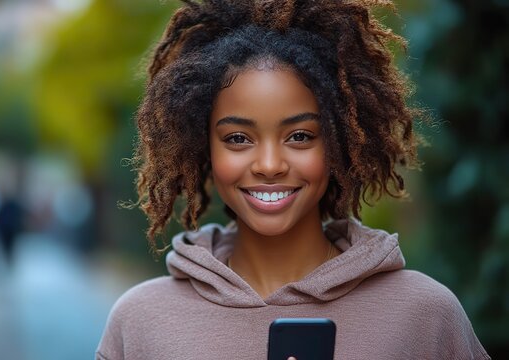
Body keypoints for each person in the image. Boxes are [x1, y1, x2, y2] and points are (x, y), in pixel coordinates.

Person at [96, 0, 490, 359]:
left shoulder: (424, 315)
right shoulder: (141, 321)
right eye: (238, 139)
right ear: (205, 150)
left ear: (339, 144)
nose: (269, 164)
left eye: (300, 136)